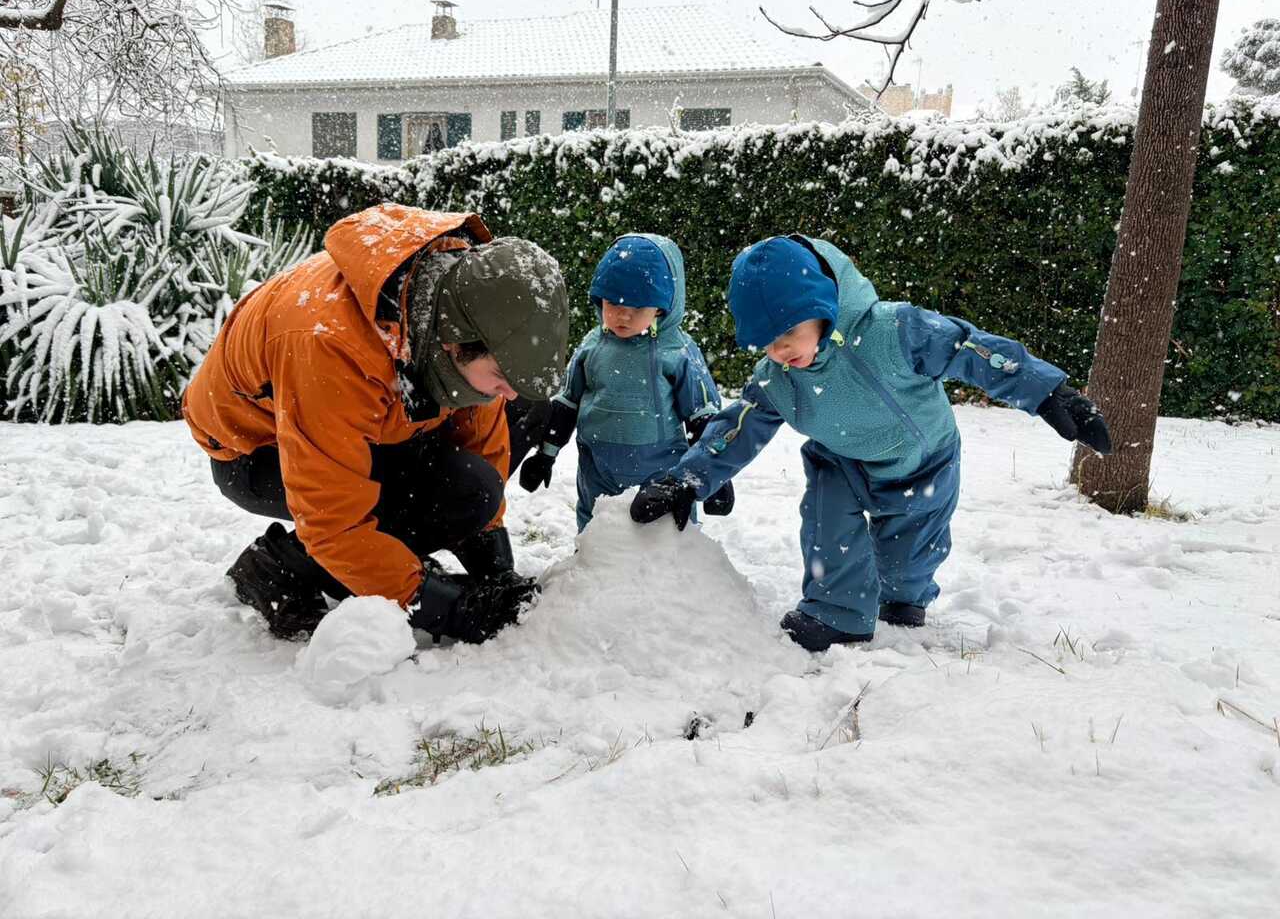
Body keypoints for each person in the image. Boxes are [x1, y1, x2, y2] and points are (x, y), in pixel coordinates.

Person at [629, 234, 1111, 652]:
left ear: (822, 309)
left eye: (790, 334)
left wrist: (1046, 390)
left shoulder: (892, 332)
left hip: (922, 462)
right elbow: (737, 428)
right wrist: (686, 480)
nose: (781, 352)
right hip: (841, 464)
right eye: (768, 343)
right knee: (825, 520)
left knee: (906, 568)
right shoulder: (777, 378)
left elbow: (970, 349)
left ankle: (904, 595)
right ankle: (835, 613)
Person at [182, 203, 569, 642]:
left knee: (515, 425)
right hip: (257, 452)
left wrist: (494, 566)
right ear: (454, 344)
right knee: (442, 494)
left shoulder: (457, 305)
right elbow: (334, 519)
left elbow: (483, 437)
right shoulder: (330, 346)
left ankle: (387, 555)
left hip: (377, 417)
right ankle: (277, 566)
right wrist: (447, 609)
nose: (508, 390)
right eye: (501, 375)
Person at [517, 233, 734, 530]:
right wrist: (546, 454)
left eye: (636, 308)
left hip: (660, 469)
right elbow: (567, 403)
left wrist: (711, 472)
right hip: (598, 465)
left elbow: (702, 415)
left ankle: (671, 573)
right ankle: (593, 570)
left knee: (666, 530)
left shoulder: (675, 351)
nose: (622, 316)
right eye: (612, 304)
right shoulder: (593, 346)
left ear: (661, 307)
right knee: (597, 527)